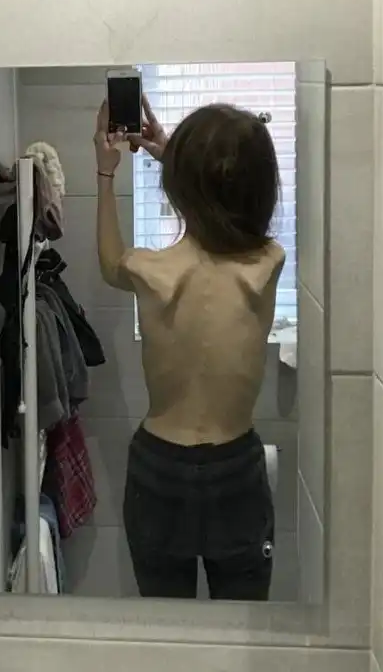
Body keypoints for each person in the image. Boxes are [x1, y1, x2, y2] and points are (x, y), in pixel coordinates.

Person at [92, 95, 285, 601]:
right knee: (243, 627)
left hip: (160, 466)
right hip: (235, 464)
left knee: (166, 627)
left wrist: (106, 173)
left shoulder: (150, 271)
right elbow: (217, 197)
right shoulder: (266, 265)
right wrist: (174, 157)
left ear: (180, 185)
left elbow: (109, 262)